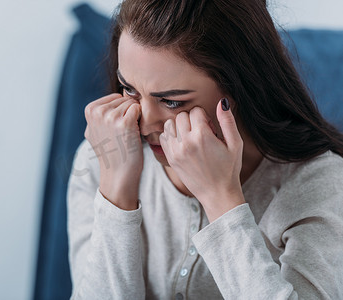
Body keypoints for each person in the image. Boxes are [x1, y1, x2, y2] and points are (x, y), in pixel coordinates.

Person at [67, 0, 343, 299]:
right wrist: (116, 194)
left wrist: (221, 200)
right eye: (129, 88)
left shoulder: (321, 186)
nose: (143, 124)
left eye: (172, 102)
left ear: (240, 88)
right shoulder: (101, 157)